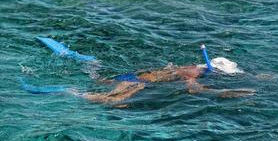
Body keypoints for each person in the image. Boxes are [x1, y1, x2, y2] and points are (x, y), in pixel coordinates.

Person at [72, 45, 255, 107]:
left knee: (102, 84)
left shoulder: (191, 67)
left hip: (136, 77)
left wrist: (261, 77)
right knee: (113, 101)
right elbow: (194, 89)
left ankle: (91, 66)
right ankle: (71, 93)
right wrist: (223, 92)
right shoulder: (193, 73)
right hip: (137, 81)